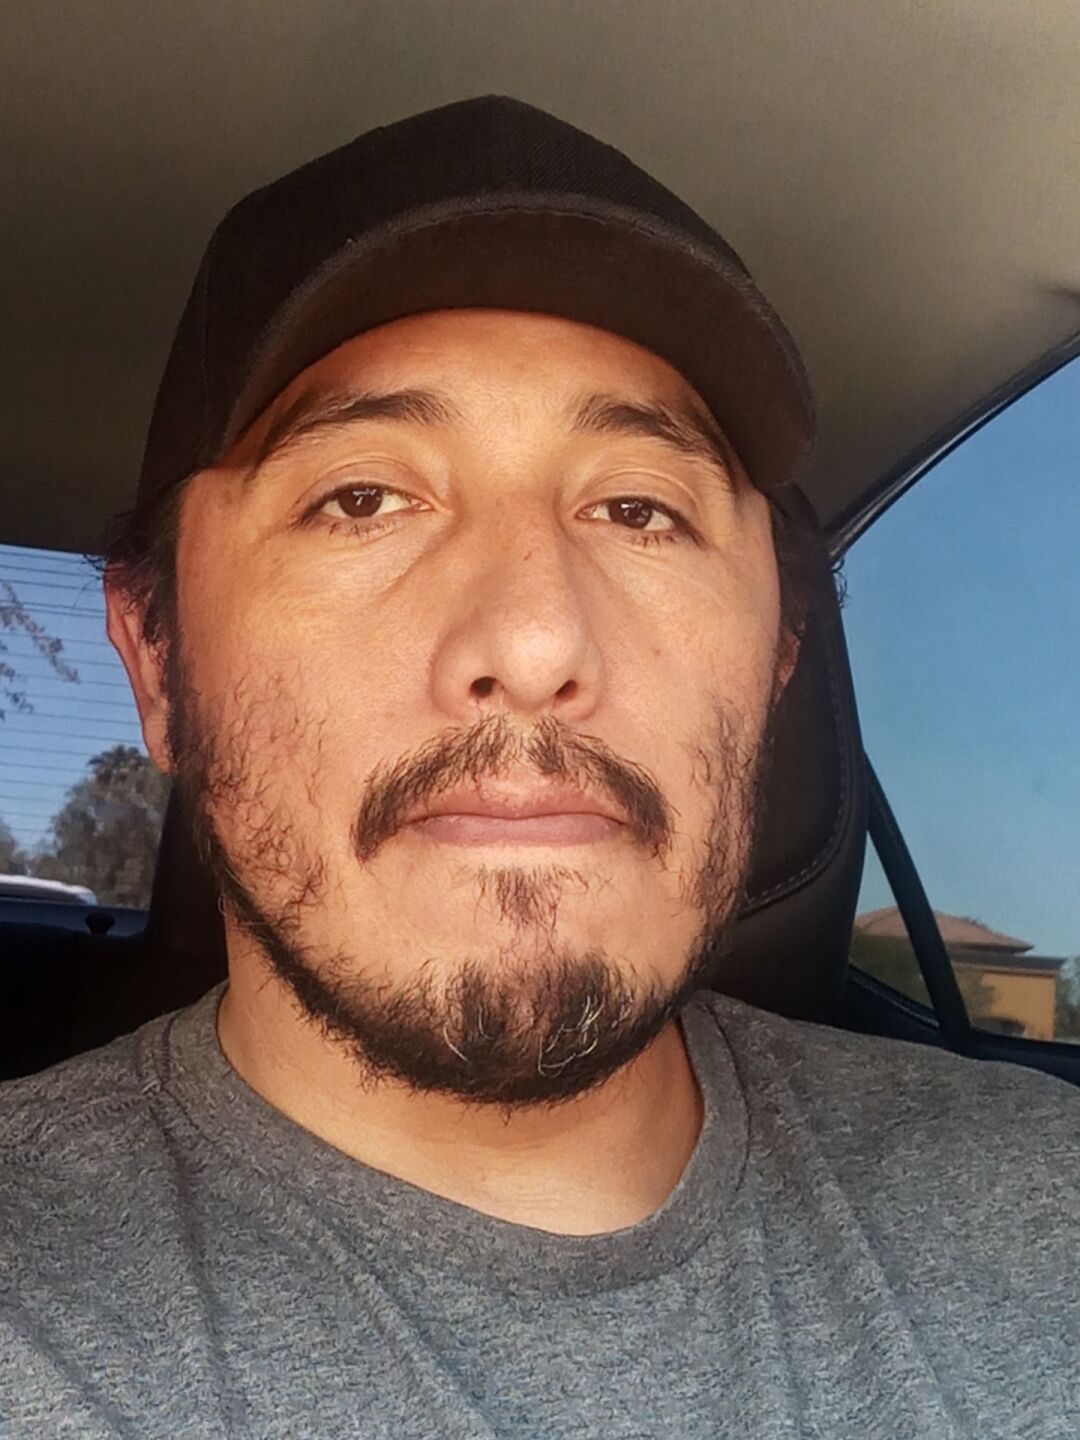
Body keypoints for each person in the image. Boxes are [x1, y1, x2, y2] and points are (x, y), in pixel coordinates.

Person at [0, 95, 1077, 1440]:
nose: (532, 641)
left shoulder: (1044, 1206)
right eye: (362, 499)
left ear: (780, 659)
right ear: (157, 661)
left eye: (638, 509)